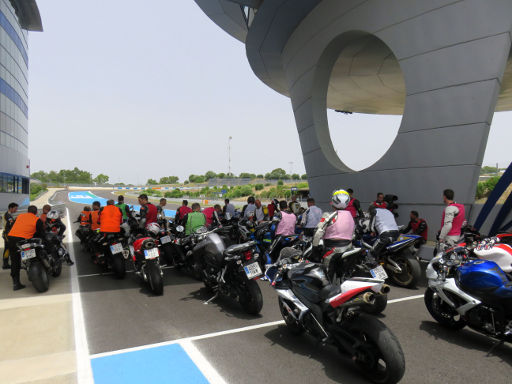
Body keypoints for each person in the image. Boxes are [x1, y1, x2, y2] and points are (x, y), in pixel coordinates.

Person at [312, 190, 355, 279]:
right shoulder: (350, 215)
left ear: (333, 201)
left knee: (326, 274)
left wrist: (314, 249)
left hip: (332, 249)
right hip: (349, 247)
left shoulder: (328, 215)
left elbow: (318, 232)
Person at [7, 205, 45, 290]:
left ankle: (16, 283)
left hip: (12, 239)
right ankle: (35, 271)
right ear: (36, 212)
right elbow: (40, 234)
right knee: (35, 254)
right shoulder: (37, 220)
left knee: (15, 262)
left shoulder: (19, 216)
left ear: (28, 211)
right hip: (24, 240)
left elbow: (13, 225)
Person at [2, 202, 18, 269]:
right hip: (7, 234)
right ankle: (5, 264)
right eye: (15, 208)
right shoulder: (8, 216)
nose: (16, 210)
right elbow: (12, 225)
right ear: (11, 208)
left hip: (7, 233)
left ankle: (6, 264)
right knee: (8, 248)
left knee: (8, 248)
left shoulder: (8, 214)